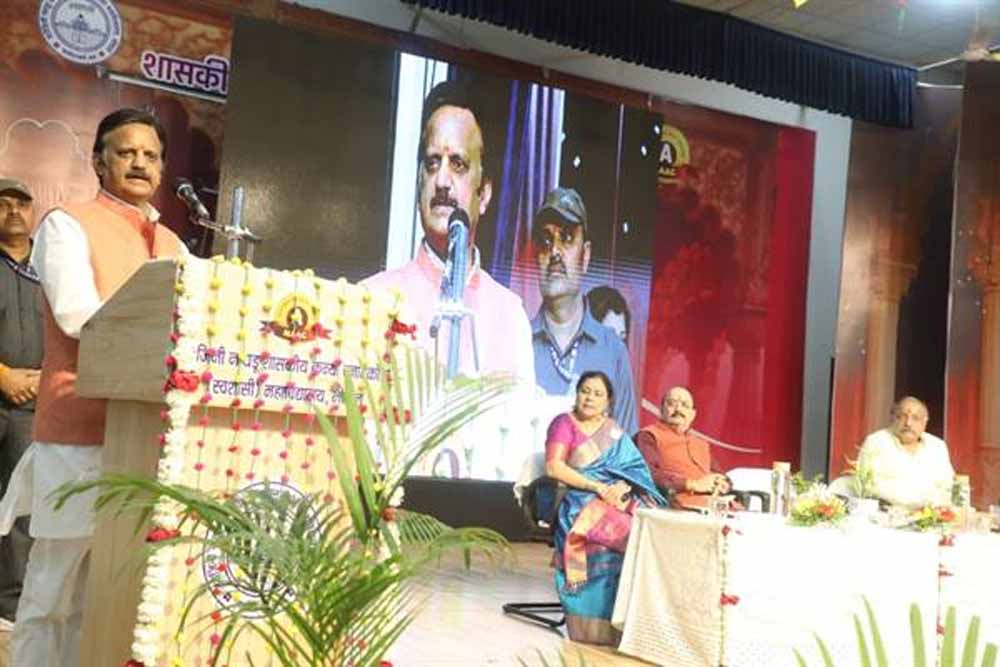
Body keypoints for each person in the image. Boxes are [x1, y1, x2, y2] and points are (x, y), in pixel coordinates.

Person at [0, 108, 184, 666]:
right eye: (126, 152)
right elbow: (78, 315)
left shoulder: (174, 244)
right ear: (99, 162)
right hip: (78, 430)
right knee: (55, 587)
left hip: (148, 436)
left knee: (113, 587)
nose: (139, 164)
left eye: (151, 155)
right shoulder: (67, 224)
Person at [363, 81, 534, 479]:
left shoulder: (510, 314)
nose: (441, 181)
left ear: (484, 194)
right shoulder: (372, 299)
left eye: (457, 164)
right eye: (431, 163)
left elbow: (521, 455)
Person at [545, 371, 664, 645]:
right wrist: (597, 487)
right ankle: (589, 627)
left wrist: (623, 486)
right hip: (578, 501)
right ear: (577, 394)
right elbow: (554, 467)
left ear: (608, 401)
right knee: (624, 534)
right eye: (585, 391)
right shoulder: (563, 423)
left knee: (646, 531)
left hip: (614, 500)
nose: (590, 398)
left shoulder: (612, 431)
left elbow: (634, 470)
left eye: (598, 394)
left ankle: (629, 624)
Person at [531, 188, 637, 433]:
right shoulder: (517, 342)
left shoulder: (613, 351)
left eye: (567, 238)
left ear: (585, 255)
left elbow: (625, 446)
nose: (555, 251)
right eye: (546, 241)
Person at [0, 179, 42, 623]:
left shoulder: (51, 266)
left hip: (35, 406)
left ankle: (9, 603)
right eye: (4, 204)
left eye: (22, 204)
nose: (14, 211)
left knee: (21, 507)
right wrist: (4, 376)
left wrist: (47, 378)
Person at [634, 386, 731, 510]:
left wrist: (723, 484)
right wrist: (692, 484)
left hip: (717, 505)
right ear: (661, 410)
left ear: (692, 414)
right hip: (679, 508)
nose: (678, 409)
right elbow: (648, 473)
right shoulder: (648, 436)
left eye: (684, 405)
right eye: (672, 403)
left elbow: (722, 475)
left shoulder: (700, 443)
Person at [856, 396, 954, 509]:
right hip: (886, 513)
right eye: (902, 416)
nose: (908, 423)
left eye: (915, 418)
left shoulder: (937, 446)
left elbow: (949, 486)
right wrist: (917, 500)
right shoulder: (876, 442)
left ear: (925, 422)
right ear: (893, 418)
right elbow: (867, 485)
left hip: (931, 512)